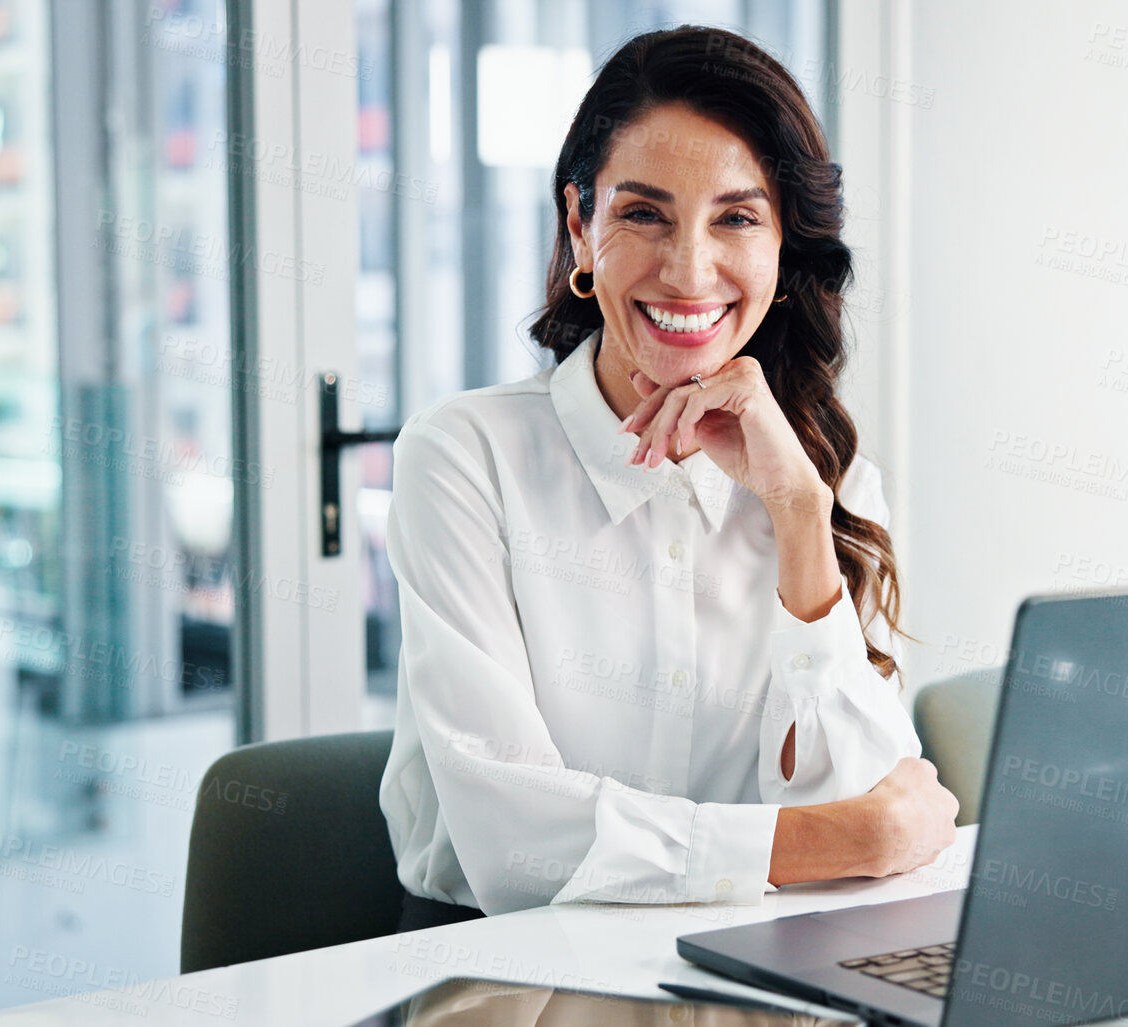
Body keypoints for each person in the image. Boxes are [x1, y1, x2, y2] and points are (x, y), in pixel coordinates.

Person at [379, 24, 958, 933]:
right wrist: (829, 840)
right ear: (579, 227)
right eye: (642, 214)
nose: (688, 271)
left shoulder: (824, 478)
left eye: (736, 217)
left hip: (763, 954)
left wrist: (801, 513)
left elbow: (858, 790)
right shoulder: (463, 458)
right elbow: (517, 845)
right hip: (505, 971)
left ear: (782, 248)